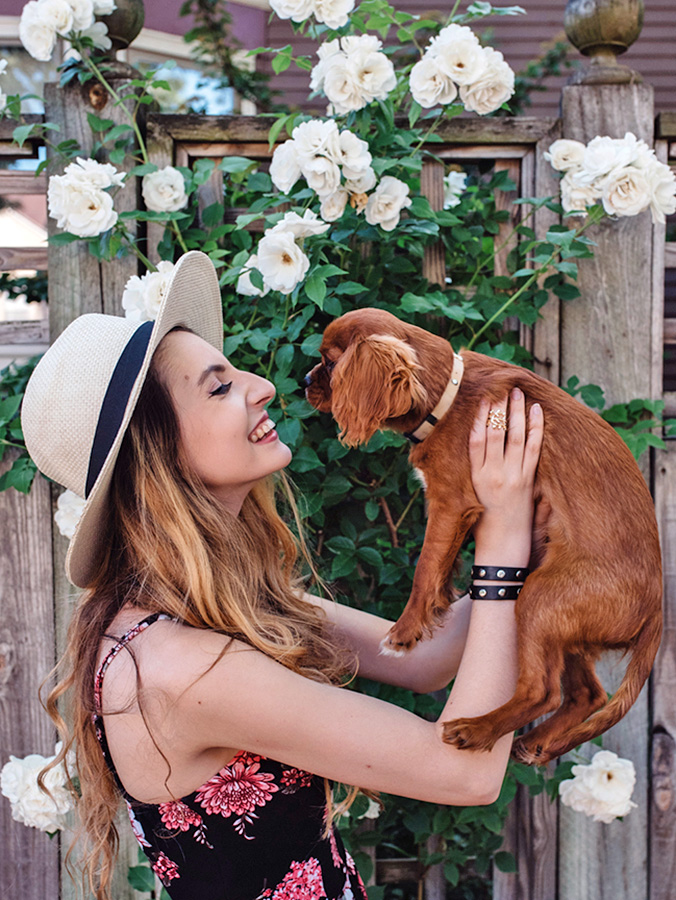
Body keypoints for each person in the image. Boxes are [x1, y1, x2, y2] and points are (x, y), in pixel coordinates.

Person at [22, 251, 544, 900]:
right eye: (218, 386)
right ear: (157, 453)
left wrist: (537, 544)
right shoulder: (182, 667)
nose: (261, 385)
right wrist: (500, 540)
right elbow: (464, 773)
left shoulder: (202, 610)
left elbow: (424, 658)